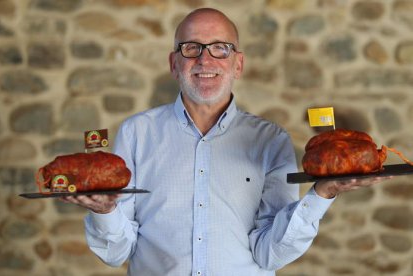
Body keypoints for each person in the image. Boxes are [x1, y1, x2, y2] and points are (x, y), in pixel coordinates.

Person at [62, 8, 388, 276]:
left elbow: (270, 254)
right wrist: (105, 211)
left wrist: (322, 194)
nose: (205, 61)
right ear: (174, 64)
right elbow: (119, 252)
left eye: (221, 48)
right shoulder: (136, 133)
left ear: (238, 64)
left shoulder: (270, 140)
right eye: (191, 48)